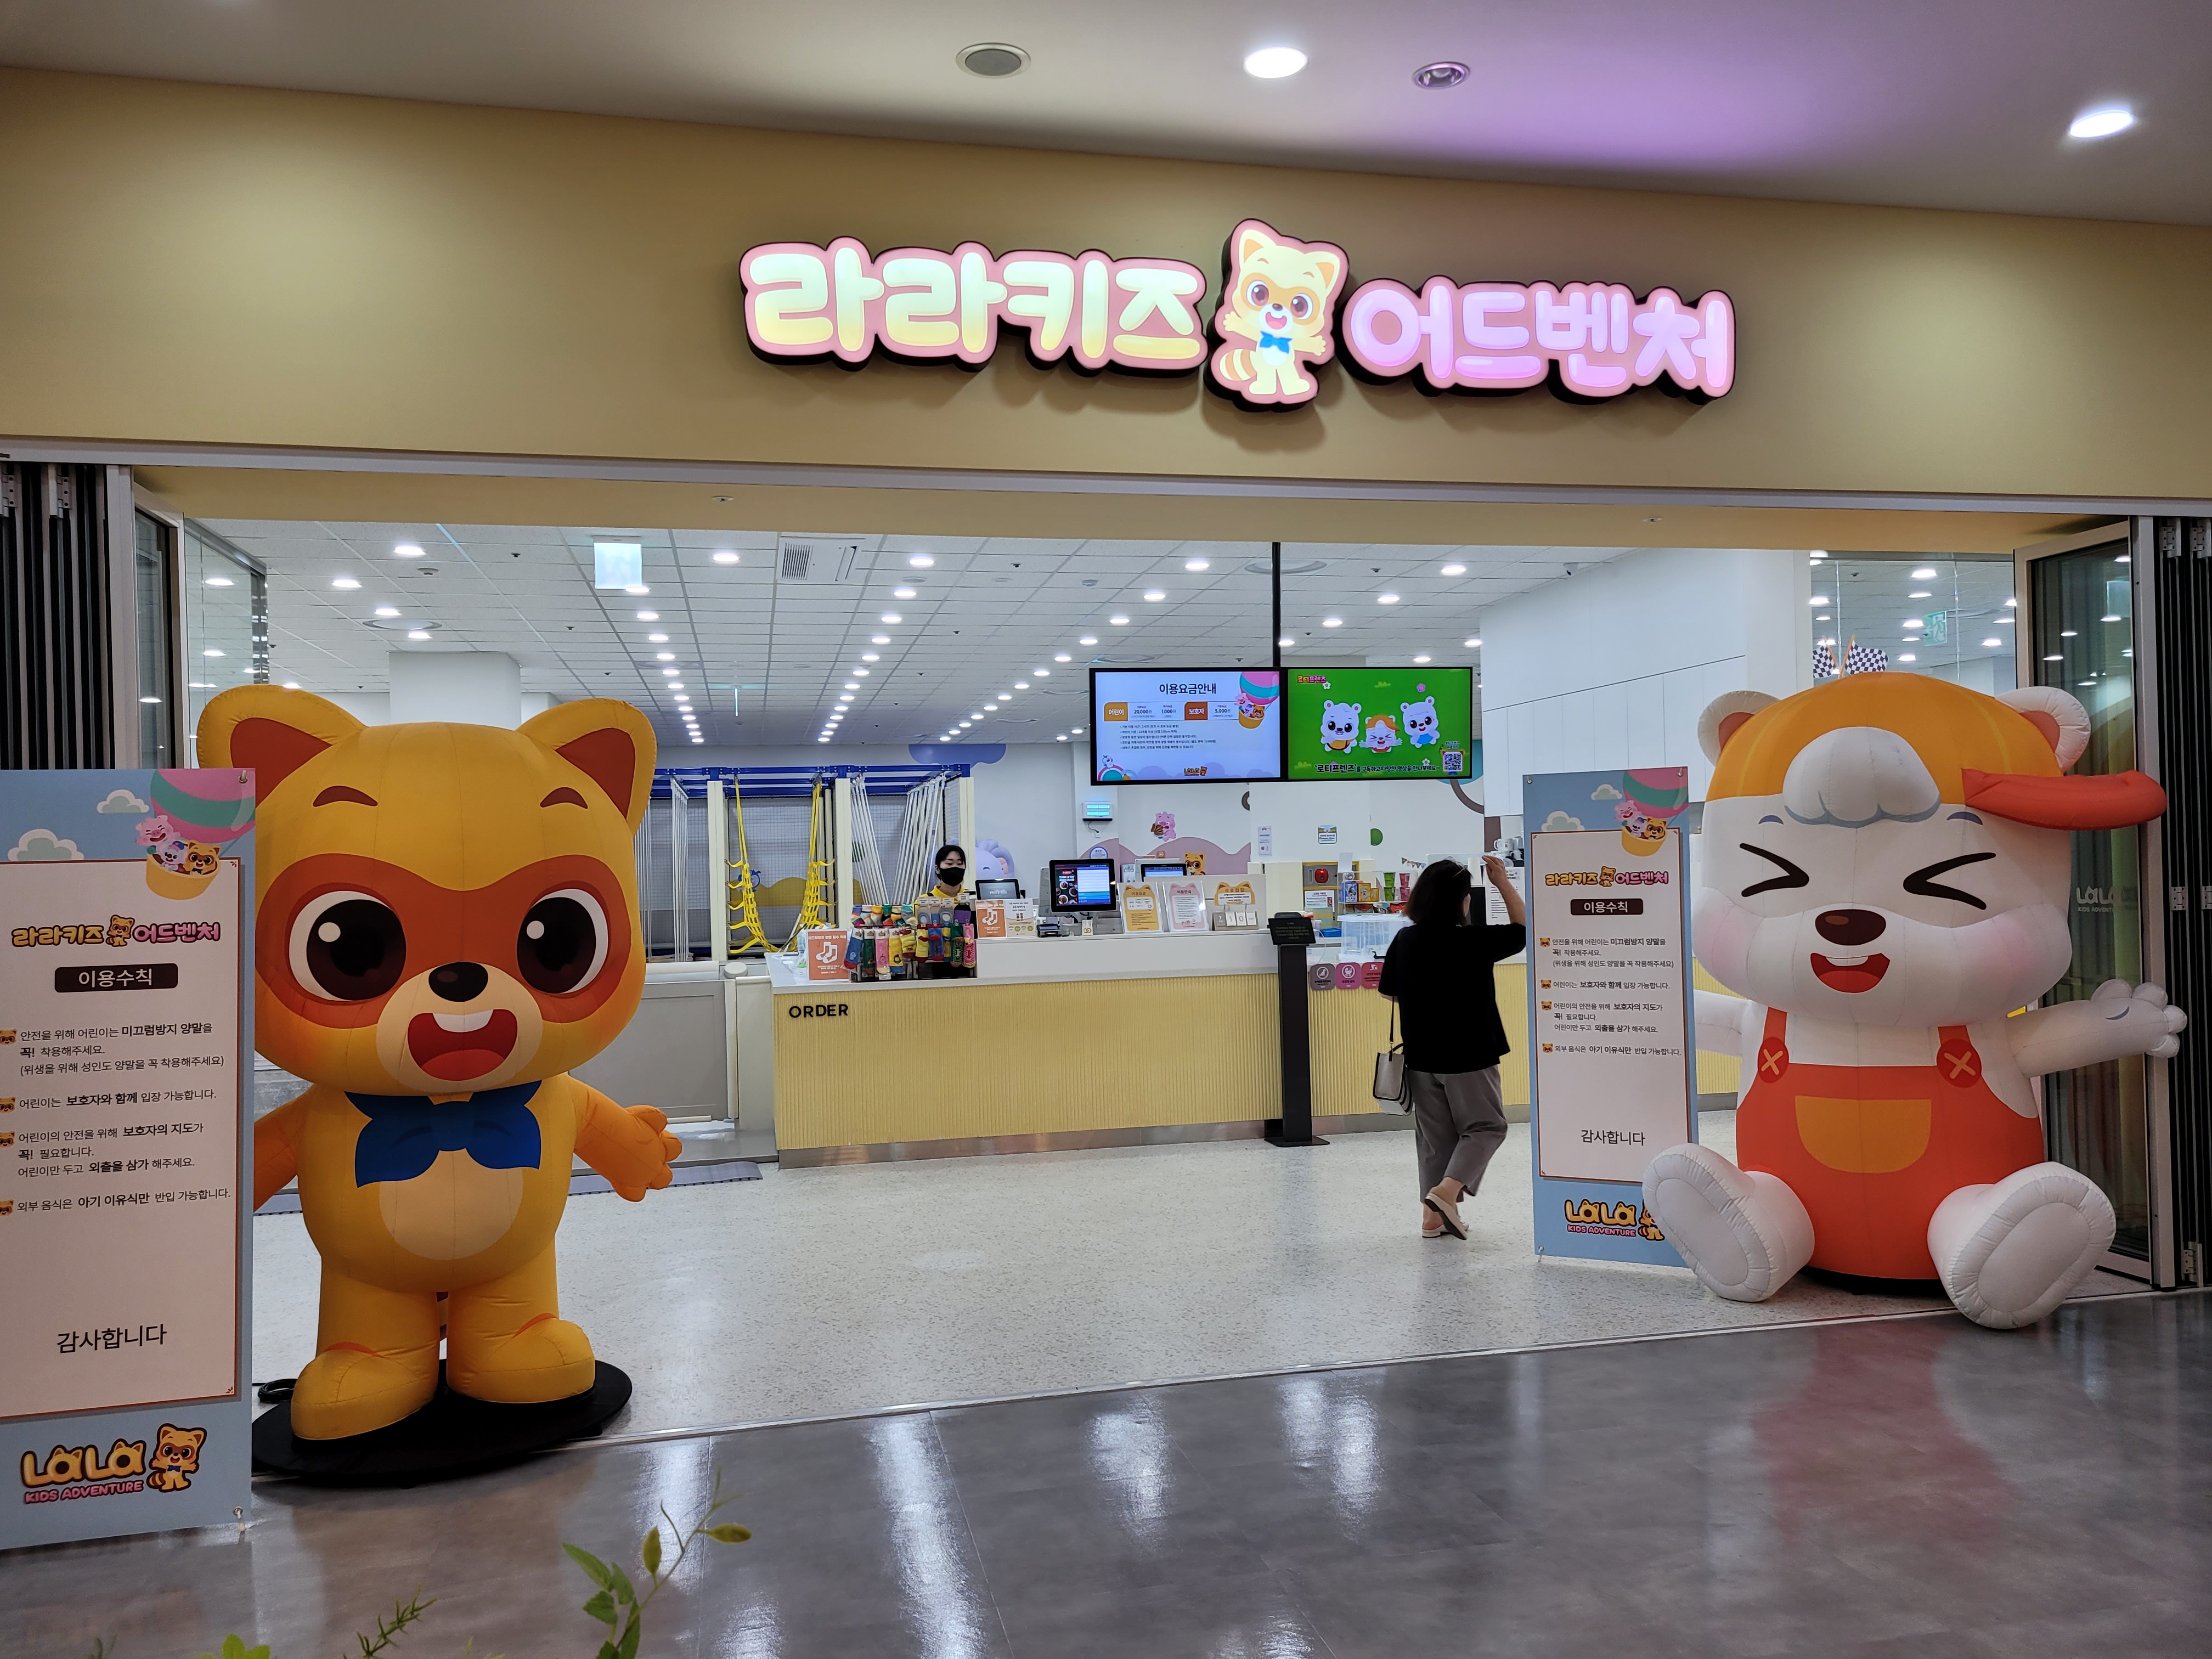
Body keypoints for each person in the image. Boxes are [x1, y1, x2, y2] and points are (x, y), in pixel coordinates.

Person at [1377, 855, 1527, 1240]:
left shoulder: (1406, 940)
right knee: (1487, 1127)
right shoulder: (1474, 941)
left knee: (1435, 1140)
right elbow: (1522, 929)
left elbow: (1389, 992)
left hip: (1421, 1056)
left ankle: (1432, 1219)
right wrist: (1502, 882)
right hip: (1469, 1056)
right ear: (1462, 901)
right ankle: (1445, 1193)